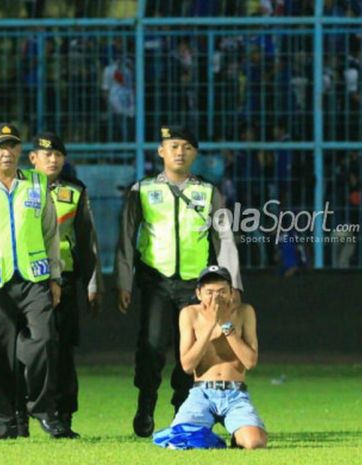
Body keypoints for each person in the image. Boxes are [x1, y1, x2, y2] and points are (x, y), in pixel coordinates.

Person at [115, 125, 244, 437]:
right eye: (173, 146)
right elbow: (126, 239)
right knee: (152, 345)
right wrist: (124, 281)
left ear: (195, 154)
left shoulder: (208, 192)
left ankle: (183, 411)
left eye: (186, 146)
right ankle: (146, 404)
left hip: (194, 286)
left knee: (192, 349)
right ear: (161, 151)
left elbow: (225, 238)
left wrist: (233, 284)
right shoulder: (142, 190)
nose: (179, 152)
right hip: (155, 281)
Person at [0, 123, 76, 439]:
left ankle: (42, 410)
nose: (7, 152)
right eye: (0, 146)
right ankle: (1, 422)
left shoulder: (37, 183)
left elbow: (50, 233)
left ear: (20, 152)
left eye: (12, 145)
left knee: (42, 341)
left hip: (34, 278)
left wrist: (55, 276)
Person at [26, 132, 104, 432]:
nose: (53, 159)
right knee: (30, 350)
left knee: (62, 351)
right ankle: (23, 413)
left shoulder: (75, 191)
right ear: (33, 158)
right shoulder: (19, 189)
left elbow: (88, 241)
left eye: (58, 154)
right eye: (46, 154)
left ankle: (62, 415)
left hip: (66, 280)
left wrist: (93, 284)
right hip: (27, 279)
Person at [172, 265, 266, 450]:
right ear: (199, 293)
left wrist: (226, 327)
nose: (216, 297)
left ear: (231, 293)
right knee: (178, 441)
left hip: (235, 393)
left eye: (222, 291)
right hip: (202, 392)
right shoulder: (189, 314)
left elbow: (250, 361)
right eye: (209, 292)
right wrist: (210, 328)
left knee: (255, 443)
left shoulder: (244, 312)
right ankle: (212, 439)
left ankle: (239, 435)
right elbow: (187, 365)